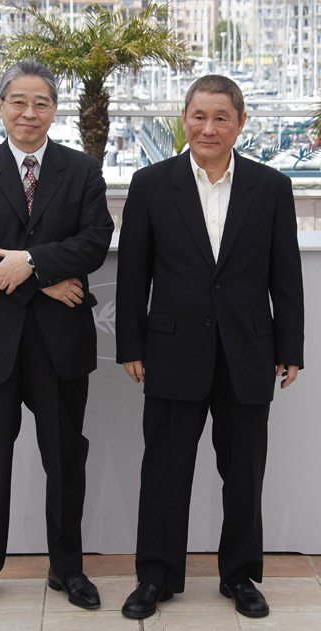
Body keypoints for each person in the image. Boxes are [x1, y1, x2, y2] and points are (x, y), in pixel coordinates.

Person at [116, 75, 304, 620]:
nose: (209, 127)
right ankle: (155, 577)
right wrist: (132, 343)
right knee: (165, 471)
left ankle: (240, 576)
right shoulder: (152, 183)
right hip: (172, 351)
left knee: (244, 473)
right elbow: (134, 274)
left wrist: (289, 347)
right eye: (199, 115)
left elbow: (285, 274)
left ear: (241, 123)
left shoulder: (270, 187)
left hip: (248, 351)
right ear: (184, 118)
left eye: (222, 117)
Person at [0, 60, 113, 617]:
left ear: (54, 109)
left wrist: (29, 262)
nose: (29, 112)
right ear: (1, 107)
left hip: (60, 344)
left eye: (40, 102)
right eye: (18, 101)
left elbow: (94, 241)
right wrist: (41, 279)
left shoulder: (82, 170)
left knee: (65, 458)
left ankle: (67, 569)